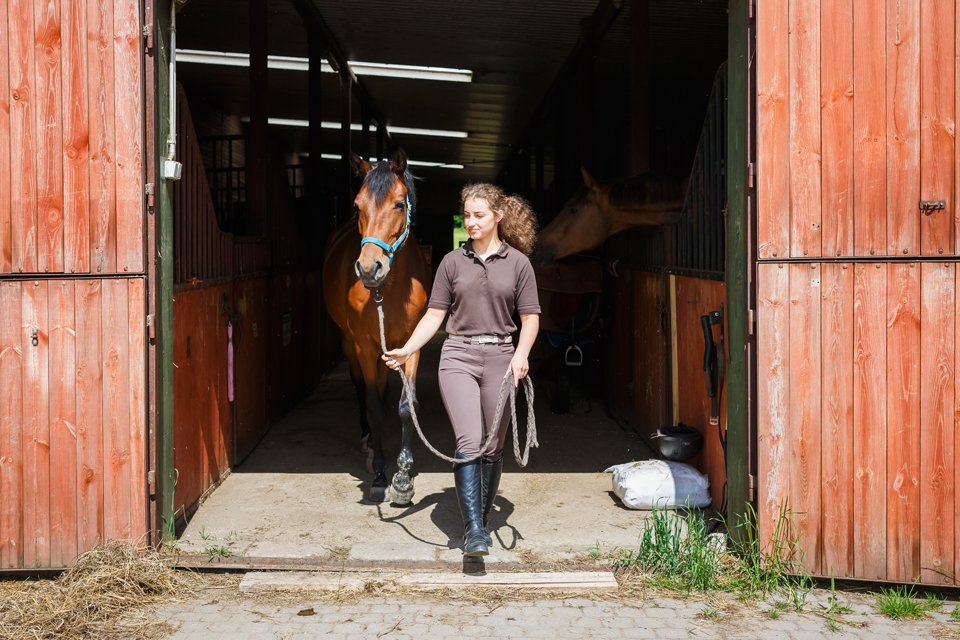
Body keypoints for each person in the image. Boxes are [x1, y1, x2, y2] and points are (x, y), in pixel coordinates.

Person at [382, 183, 540, 557]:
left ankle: (480, 523)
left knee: (492, 448)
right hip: (458, 357)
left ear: (498, 217)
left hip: (502, 357)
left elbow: (530, 318)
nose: (471, 222)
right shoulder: (452, 263)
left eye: (479, 215)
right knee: (470, 443)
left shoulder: (519, 264)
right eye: (466, 215)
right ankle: (474, 532)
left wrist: (521, 354)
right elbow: (434, 315)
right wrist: (407, 349)